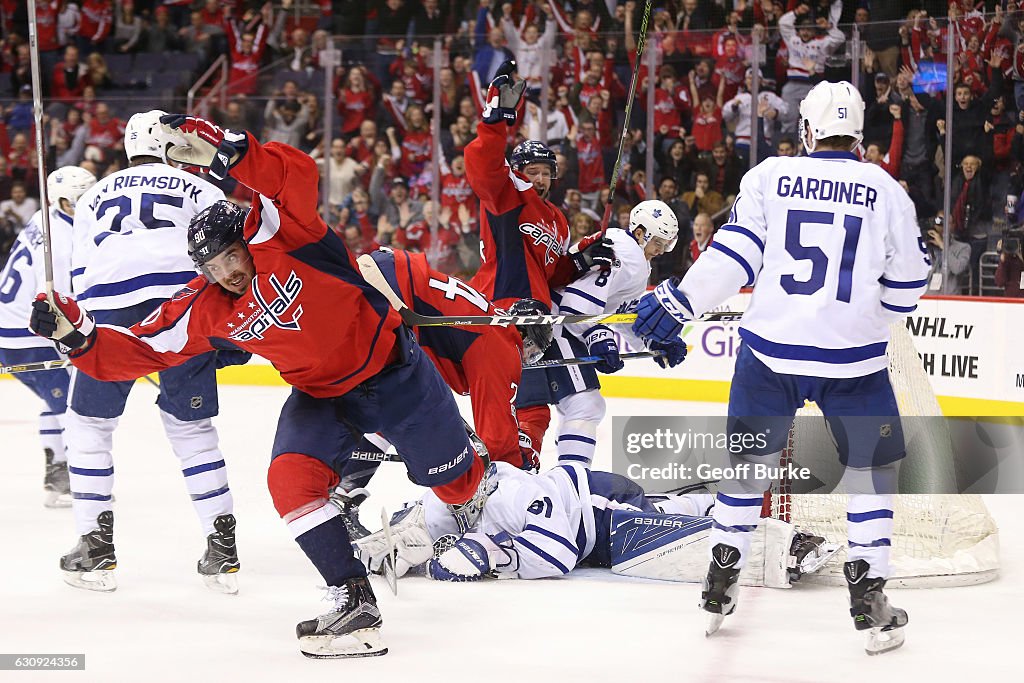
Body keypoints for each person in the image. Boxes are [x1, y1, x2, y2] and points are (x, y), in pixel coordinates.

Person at [30, 113, 492, 659]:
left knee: (460, 487)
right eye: (209, 266)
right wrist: (77, 337)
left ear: (246, 241)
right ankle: (353, 600)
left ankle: (458, 456)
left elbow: (293, 178)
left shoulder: (285, 239)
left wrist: (230, 150)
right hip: (322, 397)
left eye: (229, 256)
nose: (224, 272)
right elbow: (141, 349)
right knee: (289, 482)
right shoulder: (206, 307)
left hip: (397, 375)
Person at [632, 81, 927, 655]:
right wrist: (871, 316)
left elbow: (733, 255)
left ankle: (722, 575)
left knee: (746, 465)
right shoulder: (887, 191)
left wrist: (680, 302)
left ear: (808, 131)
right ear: (858, 134)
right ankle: (870, 598)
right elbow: (911, 285)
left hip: (768, 354)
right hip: (855, 361)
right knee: (872, 473)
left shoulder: (769, 175)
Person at [42, 111, 243, 596]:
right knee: (191, 429)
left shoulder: (92, 196)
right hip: (185, 312)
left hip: (108, 317)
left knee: (88, 426)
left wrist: (79, 339)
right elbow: (231, 256)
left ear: (129, 148)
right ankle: (222, 549)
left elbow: (79, 278)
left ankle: (95, 547)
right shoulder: (202, 187)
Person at [331, 247, 551, 538]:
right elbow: (497, 436)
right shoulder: (505, 342)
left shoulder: (485, 322)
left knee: (391, 402)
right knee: (397, 404)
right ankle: (335, 491)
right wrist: (517, 471)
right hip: (393, 289)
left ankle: (339, 495)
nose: (527, 359)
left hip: (384, 273)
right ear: (525, 333)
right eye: (533, 350)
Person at [356, 461, 833, 586]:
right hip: (590, 512)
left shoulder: (517, 491)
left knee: (643, 544)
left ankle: (779, 544)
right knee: (657, 515)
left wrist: (490, 554)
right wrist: (395, 550)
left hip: (597, 506)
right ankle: (709, 504)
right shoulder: (447, 493)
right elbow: (419, 528)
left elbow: (558, 553)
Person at [516, 201, 688, 470]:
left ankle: (569, 478)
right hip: (555, 323)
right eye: (658, 241)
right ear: (641, 233)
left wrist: (654, 341)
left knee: (581, 405)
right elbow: (575, 305)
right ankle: (573, 481)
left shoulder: (632, 255)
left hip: (554, 321)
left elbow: (618, 313)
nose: (661, 250)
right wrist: (597, 335)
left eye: (667, 244)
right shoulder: (626, 253)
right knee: (585, 405)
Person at [464, 60, 613, 312]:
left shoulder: (559, 221)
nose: (540, 179)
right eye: (533, 172)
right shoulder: (508, 193)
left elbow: (549, 274)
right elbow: (483, 166)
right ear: (516, 173)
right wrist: (494, 122)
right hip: (500, 306)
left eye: (546, 173)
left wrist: (580, 262)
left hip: (539, 315)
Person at [0, 166, 96, 508]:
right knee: (71, 404)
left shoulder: (48, 216)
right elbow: (54, 302)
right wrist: (78, 343)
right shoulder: (61, 244)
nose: (90, 202)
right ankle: (71, 479)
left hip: (11, 328)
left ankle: (59, 472)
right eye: (81, 198)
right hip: (23, 336)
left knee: (56, 397)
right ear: (63, 201)